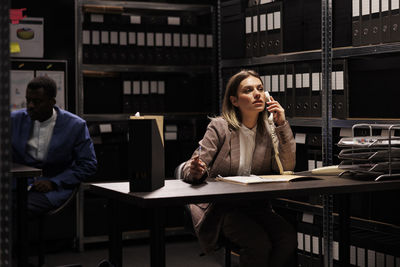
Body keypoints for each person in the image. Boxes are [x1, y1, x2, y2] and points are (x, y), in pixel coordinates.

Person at [182, 70, 297, 267]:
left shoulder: (268, 129)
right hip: (222, 208)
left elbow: (287, 167)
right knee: (258, 244)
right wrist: (195, 171)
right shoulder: (220, 127)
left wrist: (281, 125)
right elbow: (191, 167)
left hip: (254, 205)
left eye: (260, 89)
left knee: (287, 238)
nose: (257, 94)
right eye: (248, 90)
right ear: (234, 101)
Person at [11, 76, 97, 218]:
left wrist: (55, 182)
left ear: (52, 102)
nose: (30, 106)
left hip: (51, 189)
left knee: (17, 209)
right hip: (16, 186)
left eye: (37, 102)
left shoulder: (75, 126)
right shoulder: (13, 120)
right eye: (28, 100)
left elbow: (88, 164)